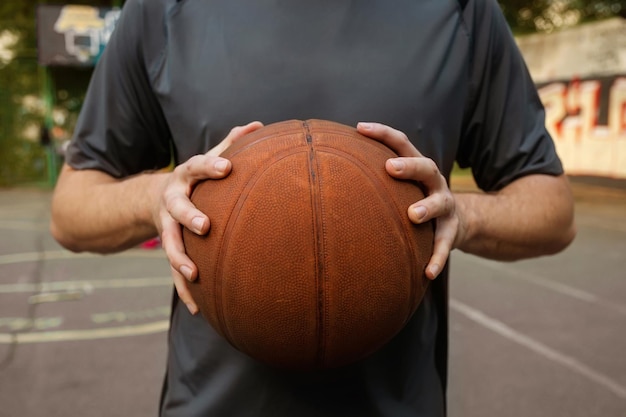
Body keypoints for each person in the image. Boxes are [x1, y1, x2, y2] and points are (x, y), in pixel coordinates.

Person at [50, 0, 576, 415]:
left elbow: (553, 211)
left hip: (397, 404)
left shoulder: (459, 10)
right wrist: (156, 196)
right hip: (210, 403)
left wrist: (463, 216)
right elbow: (71, 211)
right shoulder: (163, 8)